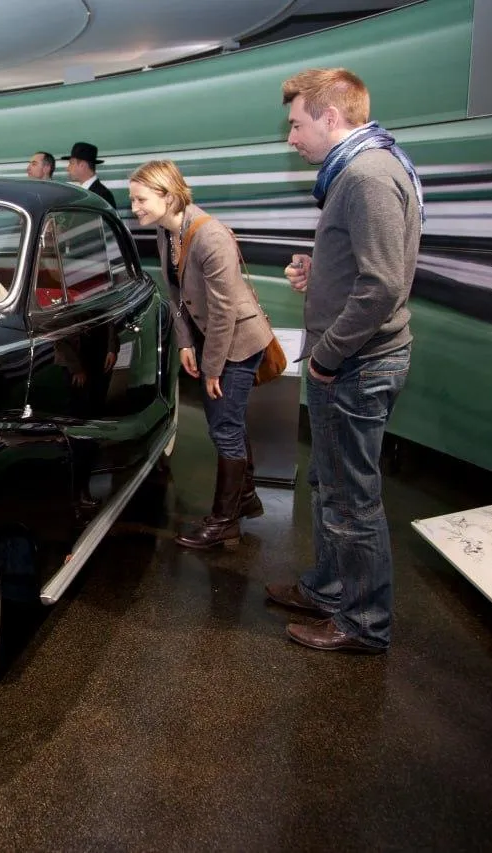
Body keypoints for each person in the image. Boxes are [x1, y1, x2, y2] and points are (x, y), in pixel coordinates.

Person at [266, 68, 422, 654]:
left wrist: (326, 358)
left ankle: (362, 622)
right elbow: (370, 270)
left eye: (297, 124)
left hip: (357, 364)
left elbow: (382, 288)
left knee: (352, 499)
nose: (291, 138)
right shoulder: (365, 168)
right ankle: (330, 589)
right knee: (329, 485)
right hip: (353, 359)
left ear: (331, 118)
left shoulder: (363, 176)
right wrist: (319, 275)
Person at [129, 159, 274, 549]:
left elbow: (225, 310)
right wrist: (186, 343)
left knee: (223, 427)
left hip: (238, 344)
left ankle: (225, 521)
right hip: (210, 340)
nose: (135, 208)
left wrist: (212, 367)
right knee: (229, 422)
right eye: (133, 200)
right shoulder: (165, 232)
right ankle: (244, 498)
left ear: (167, 194)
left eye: (141, 199)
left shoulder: (210, 237)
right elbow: (176, 295)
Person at [62, 142, 117, 208]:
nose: (67, 168)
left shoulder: (102, 196)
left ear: (82, 165)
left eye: (71, 163)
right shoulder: (85, 193)